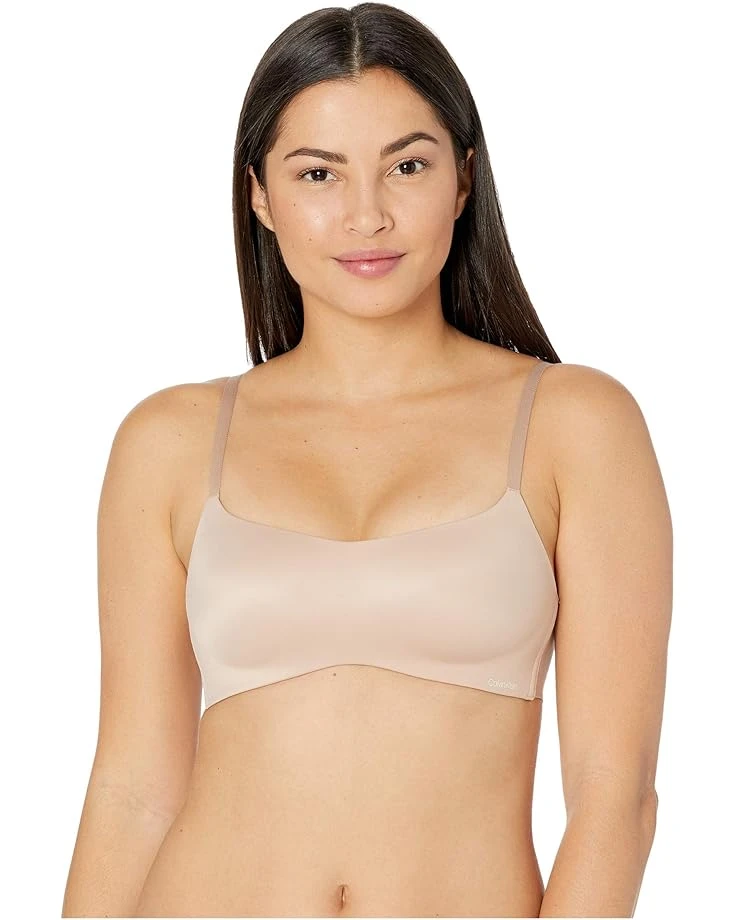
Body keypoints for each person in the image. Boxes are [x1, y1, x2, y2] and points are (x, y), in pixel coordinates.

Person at [61, 4, 672, 917]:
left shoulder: (575, 426)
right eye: (318, 173)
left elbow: (614, 797)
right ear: (259, 196)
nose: (367, 215)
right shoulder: (169, 441)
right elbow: (132, 793)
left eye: (407, 166)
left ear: (463, 181)